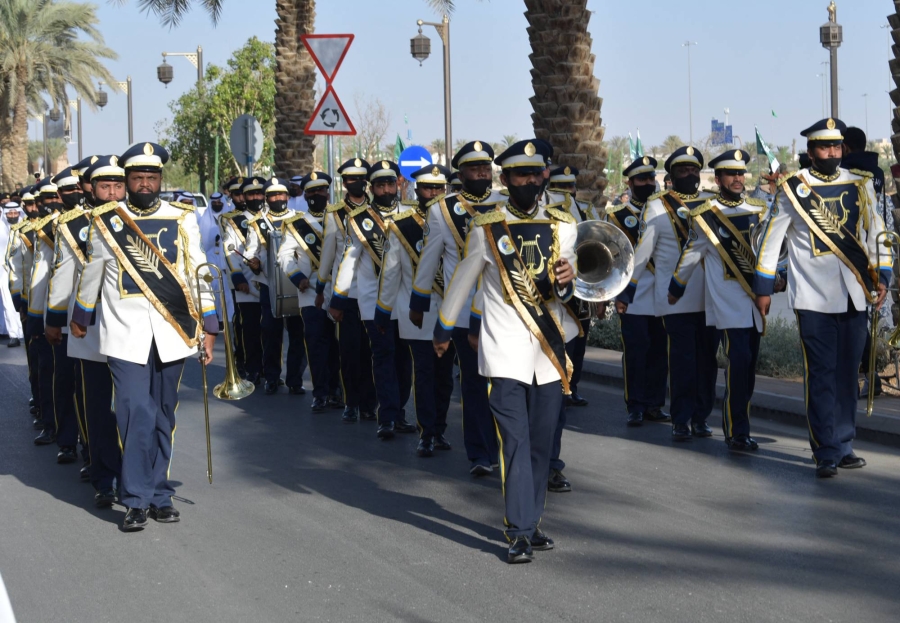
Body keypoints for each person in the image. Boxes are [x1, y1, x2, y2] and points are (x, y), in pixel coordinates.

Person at [433, 139, 577, 564]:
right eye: (520, 174)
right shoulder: (486, 227)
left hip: (547, 353)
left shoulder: (564, 224)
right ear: (506, 178)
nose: (529, 181)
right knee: (515, 441)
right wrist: (444, 327)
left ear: (544, 175)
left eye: (535, 173)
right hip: (504, 351)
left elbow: (571, 292)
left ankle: (531, 522)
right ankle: (518, 531)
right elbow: (463, 280)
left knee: (541, 443)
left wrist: (569, 281)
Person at [71, 142, 218, 529]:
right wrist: (80, 316)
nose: (145, 184)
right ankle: (135, 498)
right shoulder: (107, 221)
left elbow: (198, 270)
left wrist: (210, 322)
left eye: (152, 178)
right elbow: (92, 272)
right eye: (138, 178)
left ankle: (159, 494)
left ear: (160, 179)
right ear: (128, 180)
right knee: (136, 411)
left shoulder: (181, 218)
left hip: (173, 332)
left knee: (163, 415)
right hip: (124, 334)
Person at [753, 118, 890, 478]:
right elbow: (770, 242)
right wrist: (763, 288)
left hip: (854, 294)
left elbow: (876, 232)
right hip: (812, 299)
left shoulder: (860, 184)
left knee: (847, 374)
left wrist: (882, 275)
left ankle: (844, 443)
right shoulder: (793, 189)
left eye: (836, 147)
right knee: (822, 375)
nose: (831, 153)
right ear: (811, 151)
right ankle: (825, 449)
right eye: (824, 147)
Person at [410, 141, 504, 473]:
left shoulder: (506, 203)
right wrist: (419, 302)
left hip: (505, 311)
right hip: (464, 313)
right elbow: (429, 259)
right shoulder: (442, 210)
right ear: (460, 175)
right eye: (474, 169)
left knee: (506, 384)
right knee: (474, 384)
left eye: (485, 168)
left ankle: (508, 448)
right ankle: (481, 454)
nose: (482, 173)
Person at [618, 146, 719, 442]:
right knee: (683, 362)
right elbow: (642, 252)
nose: (690, 174)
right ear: (672, 175)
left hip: (710, 298)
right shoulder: (658, 206)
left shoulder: (710, 203)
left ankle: (701, 417)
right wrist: (627, 291)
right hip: (675, 299)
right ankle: (681, 419)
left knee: (707, 362)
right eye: (683, 170)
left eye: (693, 170)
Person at [668, 149, 765, 451]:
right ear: (718, 178)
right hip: (728, 302)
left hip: (756, 302)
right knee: (739, 362)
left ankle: (739, 426)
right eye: (731, 174)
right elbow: (691, 253)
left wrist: (780, 276)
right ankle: (736, 431)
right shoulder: (706, 215)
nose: (738, 178)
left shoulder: (758, 209)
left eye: (741, 173)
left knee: (748, 367)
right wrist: (676, 287)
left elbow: (771, 250)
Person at [45, 155, 123, 503]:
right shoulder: (72, 225)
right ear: (87, 187)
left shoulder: (136, 219)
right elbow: (62, 274)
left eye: (116, 184)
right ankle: (103, 474)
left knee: (135, 405)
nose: (108, 192)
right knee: (96, 404)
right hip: (89, 325)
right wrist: (53, 318)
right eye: (99, 184)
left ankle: (133, 476)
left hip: (133, 324)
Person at [330, 160, 415, 440]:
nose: (386, 190)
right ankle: (387, 416)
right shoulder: (358, 220)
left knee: (404, 360)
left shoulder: (411, 215)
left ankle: (399, 413)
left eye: (390, 184)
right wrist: (338, 299)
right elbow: (348, 261)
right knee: (383, 358)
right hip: (374, 303)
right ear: (372, 188)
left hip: (404, 300)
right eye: (380, 185)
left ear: (398, 184)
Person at [376, 164, 455, 457]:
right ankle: (427, 432)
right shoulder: (402, 225)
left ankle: (440, 428)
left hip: (450, 312)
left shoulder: (457, 220)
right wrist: (383, 311)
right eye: (427, 188)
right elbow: (391, 271)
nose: (433, 193)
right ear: (417, 189)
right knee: (424, 374)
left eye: (438, 188)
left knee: (444, 377)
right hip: (417, 311)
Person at [607, 157, 669, 427]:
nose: (648, 183)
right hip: (633, 293)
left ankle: (655, 404)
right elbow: (611, 259)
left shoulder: (665, 212)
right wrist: (615, 294)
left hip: (661, 292)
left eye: (651, 178)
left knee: (659, 350)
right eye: (641, 180)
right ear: (630, 183)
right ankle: (635, 405)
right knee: (636, 350)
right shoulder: (616, 216)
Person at [315, 159, 377, 423]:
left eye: (361, 179)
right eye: (351, 179)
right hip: (347, 293)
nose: (357, 183)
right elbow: (328, 254)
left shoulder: (376, 211)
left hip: (374, 292)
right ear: (344, 183)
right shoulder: (334, 214)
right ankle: (351, 402)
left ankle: (370, 404)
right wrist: (321, 287)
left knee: (371, 352)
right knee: (350, 352)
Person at [278, 172, 343, 412]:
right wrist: (297, 277)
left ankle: (338, 390)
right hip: (310, 291)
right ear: (305, 195)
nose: (317, 195)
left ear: (328, 192)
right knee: (316, 343)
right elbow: (284, 256)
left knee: (338, 344)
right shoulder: (296, 224)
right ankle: (320, 393)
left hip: (339, 289)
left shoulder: (340, 218)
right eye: (312, 192)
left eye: (320, 190)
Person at [245, 177, 307, 395]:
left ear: (287, 196)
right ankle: (272, 377)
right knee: (271, 332)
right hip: (269, 283)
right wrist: (253, 262)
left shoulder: (300, 219)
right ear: (266, 198)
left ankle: (295, 380)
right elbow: (251, 251)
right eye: (272, 195)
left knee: (298, 332)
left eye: (281, 194)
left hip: (296, 282)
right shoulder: (257, 223)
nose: (277, 198)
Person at [221, 177, 264, 384]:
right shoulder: (232, 221)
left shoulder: (270, 217)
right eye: (250, 194)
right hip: (245, 281)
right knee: (248, 326)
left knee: (270, 330)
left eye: (259, 193)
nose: (255, 198)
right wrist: (238, 277)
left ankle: (269, 370)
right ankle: (249, 365)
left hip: (270, 282)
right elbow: (229, 250)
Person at [196, 192, 235, 329]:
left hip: (226, 256)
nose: (217, 204)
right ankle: (218, 317)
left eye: (219, 202)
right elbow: (203, 242)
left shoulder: (229, 216)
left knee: (227, 289)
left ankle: (229, 317)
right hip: (211, 257)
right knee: (215, 288)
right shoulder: (205, 219)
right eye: (215, 203)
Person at [0, 202, 24, 348]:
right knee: (8, 304)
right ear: (5, 214)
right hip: (4, 272)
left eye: (15, 213)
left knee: (23, 301)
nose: (13, 216)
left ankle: (24, 331)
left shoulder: (25, 227)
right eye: (10, 213)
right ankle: (13, 334)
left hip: (22, 271)